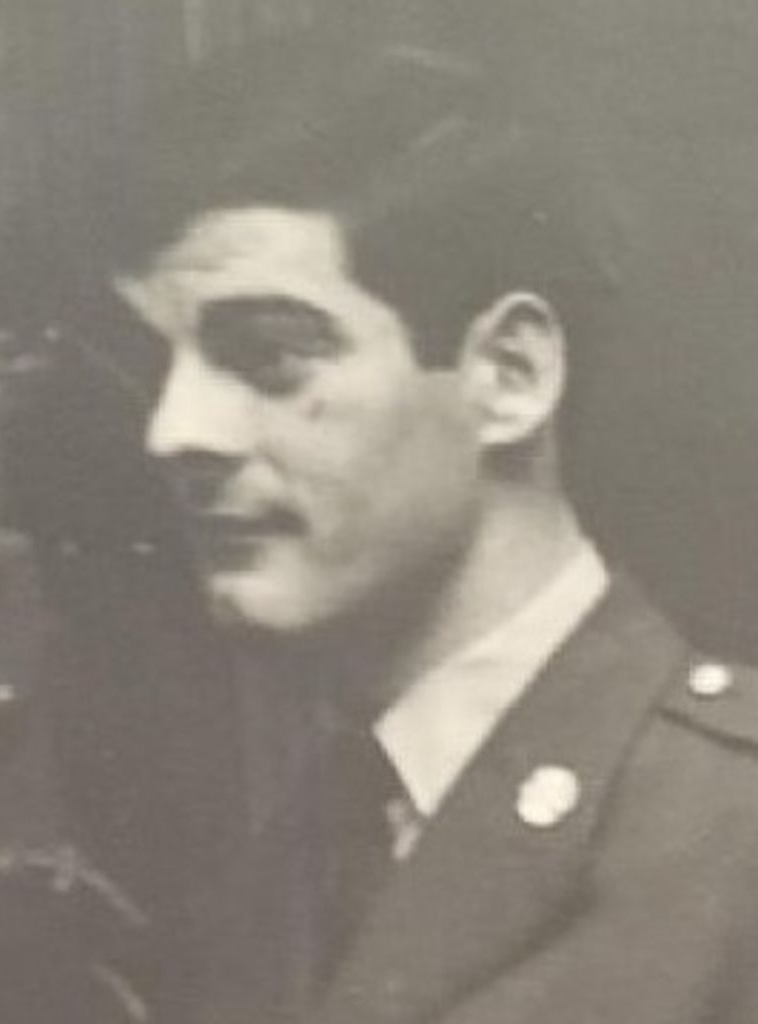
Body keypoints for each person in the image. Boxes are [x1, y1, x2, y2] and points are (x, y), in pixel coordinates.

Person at [103, 42, 758, 1024]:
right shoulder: (306, 848)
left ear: (508, 375)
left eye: (269, 356)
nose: (174, 431)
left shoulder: (728, 833)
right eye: (157, 368)